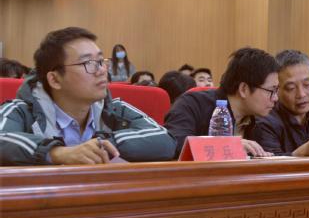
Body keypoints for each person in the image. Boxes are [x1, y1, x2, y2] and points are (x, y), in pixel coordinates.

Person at [0, 27, 176, 165]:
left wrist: (101, 146)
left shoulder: (114, 109)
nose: (102, 71)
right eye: (88, 63)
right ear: (55, 79)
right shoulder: (21, 110)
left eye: (101, 61)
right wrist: (58, 153)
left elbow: (164, 139)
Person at [165, 47, 279, 158]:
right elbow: (174, 144)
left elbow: (273, 156)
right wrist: (227, 146)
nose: (276, 98)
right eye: (271, 91)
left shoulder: (258, 119)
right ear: (244, 89)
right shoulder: (192, 104)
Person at [255, 50, 309, 156]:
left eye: (307, 84)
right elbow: (271, 164)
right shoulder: (265, 119)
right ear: (276, 90)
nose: (301, 94)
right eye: (290, 88)